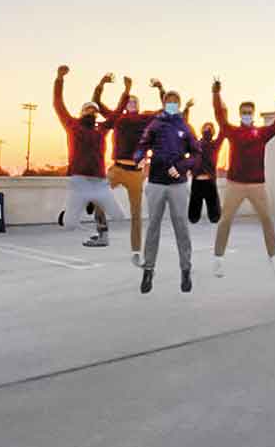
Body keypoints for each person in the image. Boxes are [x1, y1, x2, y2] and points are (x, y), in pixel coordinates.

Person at [90, 74, 171, 265]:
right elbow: (96, 102)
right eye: (128, 101)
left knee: (136, 215)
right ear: (124, 104)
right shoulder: (116, 118)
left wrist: (160, 88)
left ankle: (136, 253)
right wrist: (101, 83)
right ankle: (102, 233)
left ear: (138, 105)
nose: (131, 103)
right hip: (117, 168)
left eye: (134, 101)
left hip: (136, 173)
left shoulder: (146, 118)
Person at [212, 77, 275, 277]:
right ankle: (218, 259)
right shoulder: (233, 131)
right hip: (235, 184)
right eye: (243, 113)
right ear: (240, 114)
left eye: (249, 113)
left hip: (257, 185)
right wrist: (216, 94)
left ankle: (274, 257)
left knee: (267, 219)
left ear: (253, 114)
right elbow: (219, 117)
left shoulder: (261, 133)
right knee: (225, 220)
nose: (246, 115)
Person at [133, 90, 201, 294]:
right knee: (153, 226)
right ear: (163, 103)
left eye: (174, 102)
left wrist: (181, 167)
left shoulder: (185, 126)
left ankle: (186, 270)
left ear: (179, 104)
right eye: (168, 101)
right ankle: (148, 270)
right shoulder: (155, 124)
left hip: (177, 184)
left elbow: (197, 153)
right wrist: (140, 158)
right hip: (156, 182)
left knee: (181, 226)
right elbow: (141, 145)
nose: (171, 104)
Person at [53, 65, 127, 244]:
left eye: (94, 110)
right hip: (79, 181)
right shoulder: (72, 125)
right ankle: (71, 211)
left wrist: (126, 91)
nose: (92, 112)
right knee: (69, 225)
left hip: (100, 182)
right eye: (88, 109)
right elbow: (58, 104)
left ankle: (94, 210)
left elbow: (117, 115)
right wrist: (59, 78)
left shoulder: (101, 128)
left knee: (120, 217)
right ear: (82, 112)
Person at [188, 122, 225, 224]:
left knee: (215, 218)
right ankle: (194, 217)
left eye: (210, 128)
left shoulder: (215, 145)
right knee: (193, 218)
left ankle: (214, 215)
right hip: (197, 182)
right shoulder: (195, 144)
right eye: (206, 128)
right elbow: (188, 129)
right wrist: (187, 110)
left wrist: (223, 112)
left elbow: (223, 131)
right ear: (202, 130)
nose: (208, 130)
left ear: (213, 132)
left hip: (210, 183)